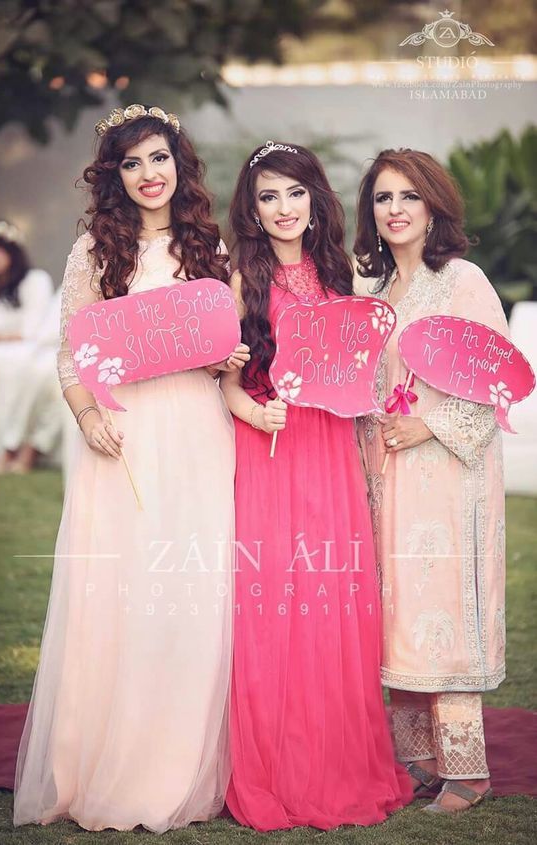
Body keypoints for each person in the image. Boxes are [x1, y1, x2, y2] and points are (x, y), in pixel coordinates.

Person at [14, 104, 249, 832]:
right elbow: (71, 351)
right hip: (122, 435)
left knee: (190, 591)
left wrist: (226, 362)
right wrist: (87, 416)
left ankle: (180, 764)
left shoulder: (212, 247)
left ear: (181, 164)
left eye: (159, 157)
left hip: (197, 434)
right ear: (114, 175)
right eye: (132, 162)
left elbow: (227, 350)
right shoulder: (94, 251)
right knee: (119, 592)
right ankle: (107, 759)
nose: (150, 174)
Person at [220, 141, 412, 831]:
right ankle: (276, 765)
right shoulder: (239, 273)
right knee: (274, 602)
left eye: (294, 193)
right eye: (268, 196)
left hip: (330, 447)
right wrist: (251, 404)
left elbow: (361, 364)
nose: (283, 209)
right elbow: (224, 382)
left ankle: (342, 758)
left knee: (334, 601)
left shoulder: (343, 270)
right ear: (252, 205)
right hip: (271, 444)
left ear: (314, 198)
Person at [354, 148, 507, 814]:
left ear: (433, 204)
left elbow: (497, 374)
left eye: (408, 197)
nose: (395, 210)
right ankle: (418, 759)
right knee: (401, 611)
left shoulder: (462, 281)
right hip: (388, 473)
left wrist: (433, 423)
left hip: (446, 471)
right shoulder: (379, 291)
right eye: (383, 198)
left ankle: (467, 771)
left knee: (440, 605)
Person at [0, 219, 53, 468]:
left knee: (25, 364)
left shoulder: (35, 280)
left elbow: (31, 331)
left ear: (12, 250)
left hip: (22, 351)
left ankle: (12, 447)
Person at [0, 288, 63, 474]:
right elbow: (50, 329)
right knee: (37, 372)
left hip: (93, 355)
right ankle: (11, 445)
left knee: (68, 391)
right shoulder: (79, 274)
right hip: (59, 348)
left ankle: (33, 448)